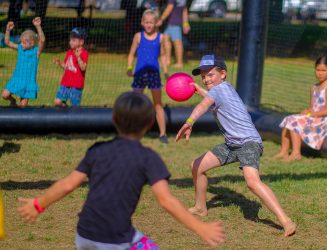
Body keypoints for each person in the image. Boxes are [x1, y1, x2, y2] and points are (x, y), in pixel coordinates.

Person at [18, 92, 225, 249]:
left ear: (114, 119)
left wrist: (38, 204)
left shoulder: (97, 150)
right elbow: (166, 201)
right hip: (115, 238)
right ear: (150, 123)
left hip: (84, 235)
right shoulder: (149, 158)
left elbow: (68, 184)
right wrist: (201, 228)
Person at [175, 54, 297, 237]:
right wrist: (201, 90)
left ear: (223, 74)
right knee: (196, 166)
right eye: (203, 76)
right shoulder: (221, 89)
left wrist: (190, 121)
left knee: (252, 182)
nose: (206, 78)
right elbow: (212, 98)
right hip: (232, 144)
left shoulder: (218, 90)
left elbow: (204, 105)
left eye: (210, 74)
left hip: (248, 142)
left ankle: (286, 221)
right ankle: (201, 207)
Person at [274, 57, 327, 161]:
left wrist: (311, 114)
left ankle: (296, 154)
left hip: (325, 120)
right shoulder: (314, 87)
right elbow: (313, 107)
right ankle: (283, 152)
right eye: (318, 70)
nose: (320, 73)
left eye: (323, 70)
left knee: (295, 122)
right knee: (289, 119)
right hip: (315, 116)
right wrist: (307, 112)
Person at [127, 9, 169, 144]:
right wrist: (129, 68)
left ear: (156, 23)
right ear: (142, 23)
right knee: (136, 103)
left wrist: (166, 71)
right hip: (139, 74)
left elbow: (162, 55)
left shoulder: (161, 37)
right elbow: (131, 53)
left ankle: (163, 134)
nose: (149, 25)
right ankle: (133, 132)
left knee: (158, 104)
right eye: (146, 22)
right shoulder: (138, 36)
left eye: (151, 22)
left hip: (154, 75)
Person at [2, 17, 45, 107]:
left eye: (24, 42)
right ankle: (13, 101)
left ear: (32, 43)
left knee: (23, 106)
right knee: (5, 95)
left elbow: (42, 40)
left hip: (28, 82)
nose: (22, 44)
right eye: (21, 41)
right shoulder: (20, 48)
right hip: (16, 79)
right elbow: (7, 42)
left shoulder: (36, 53)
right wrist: (8, 30)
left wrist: (38, 26)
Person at [53, 27, 89, 107]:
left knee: (75, 107)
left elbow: (83, 68)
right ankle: (65, 109)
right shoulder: (69, 52)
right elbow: (66, 66)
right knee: (57, 102)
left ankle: (73, 117)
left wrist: (78, 57)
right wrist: (59, 63)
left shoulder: (84, 53)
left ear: (81, 42)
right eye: (70, 40)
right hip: (65, 83)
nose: (70, 42)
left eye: (73, 40)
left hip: (76, 85)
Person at [157, 0, 190, 68]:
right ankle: (167, 60)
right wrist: (185, 23)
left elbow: (169, 7)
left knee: (177, 42)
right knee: (166, 39)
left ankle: (179, 62)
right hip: (173, 23)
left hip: (173, 23)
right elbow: (184, 10)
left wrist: (161, 19)